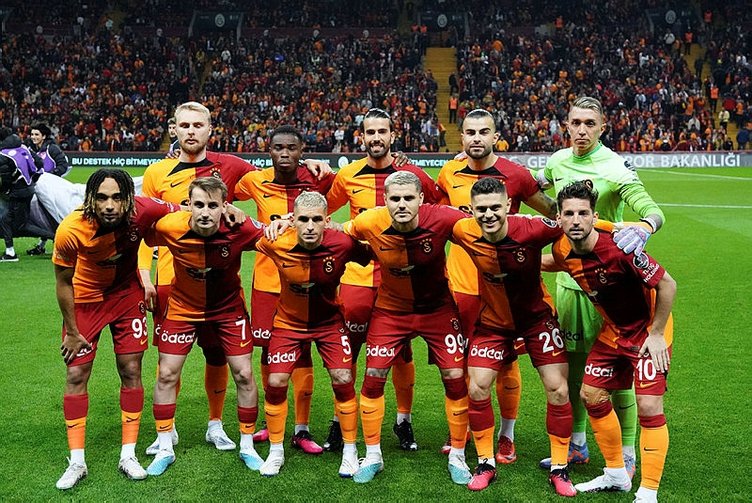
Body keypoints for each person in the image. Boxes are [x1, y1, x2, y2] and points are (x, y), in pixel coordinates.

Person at [138, 102, 331, 456]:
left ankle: (216, 424)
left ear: (210, 130)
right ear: (173, 129)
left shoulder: (232, 166)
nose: (191, 131)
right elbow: (145, 226)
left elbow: (276, 171)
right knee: (169, 363)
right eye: (184, 125)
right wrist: (144, 274)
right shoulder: (156, 172)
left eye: (198, 125)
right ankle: (167, 430)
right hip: (171, 279)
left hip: (222, 284)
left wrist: (308, 163)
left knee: (217, 356)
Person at [536, 96, 665, 475]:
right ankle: (578, 445)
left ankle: (627, 450)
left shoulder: (614, 166)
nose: (581, 130)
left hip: (612, 287)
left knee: (618, 372)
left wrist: (645, 227)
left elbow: (651, 209)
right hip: (570, 279)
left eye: (590, 123)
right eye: (576, 122)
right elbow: (530, 187)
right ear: (566, 125)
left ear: (602, 128)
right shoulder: (558, 161)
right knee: (574, 368)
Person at [437, 108, 558, 461]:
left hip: (506, 290)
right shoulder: (448, 172)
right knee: (463, 363)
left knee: (506, 363)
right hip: (461, 285)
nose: (477, 138)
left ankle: (506, 435)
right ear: (462, 137)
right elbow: (436, 217)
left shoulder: (515, 175)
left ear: (495, 137)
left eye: (483, 132)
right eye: (471, 132)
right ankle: (462, 428)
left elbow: (552, 212)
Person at [451, 177, 583, 495]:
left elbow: (571, 223)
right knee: (477, 387)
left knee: (558, 389)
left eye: (496, 207)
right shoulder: (462, 230)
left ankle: (560, 467)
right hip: (492, 323)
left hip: (537, 321)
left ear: (508, 206)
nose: (489, 215)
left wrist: (624, 228)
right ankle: (485, 463)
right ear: (471, 210)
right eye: (482, 209)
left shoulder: (532, 228)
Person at [340, 171, 471, 485]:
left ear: (421, 199)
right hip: (391, 311)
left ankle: (458, 455)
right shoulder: (369, 221)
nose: (402, 204)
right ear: (385, 200)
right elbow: (334, 232)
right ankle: (373, 455)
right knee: (373, 377)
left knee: (455, 377)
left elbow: (483, 228)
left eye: (408, 198)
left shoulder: (443, 218)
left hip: (437, 310)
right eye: (395, 198)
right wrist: (286, 223)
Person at [324, 108, 442, 452]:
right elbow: (323, 211)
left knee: (402, 353)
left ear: (393, 135)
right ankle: (340, 421)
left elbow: (439, 203)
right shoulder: (347, 175)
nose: (376, 138)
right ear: (361, 136)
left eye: (382, 132)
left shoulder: (410, 175)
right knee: (348, 352)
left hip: (400, 279)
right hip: (358, 278)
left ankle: (404, 421)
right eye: (370, 132)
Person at [52, 168, 179, 490]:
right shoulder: (70, 230)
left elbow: (185, 209)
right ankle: (77, 461)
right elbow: (63, 282)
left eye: (117, 198)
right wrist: (71, 331)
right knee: (76, 374)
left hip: (126, 297)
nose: (109, 205)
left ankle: (128, 455)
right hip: (86, 301)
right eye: (102, 198)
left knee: (131, 369)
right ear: (90, 199)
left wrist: (230, 211)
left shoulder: (144, 210)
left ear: (129, 200)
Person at [553, 180, 676, 503]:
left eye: (583, 213)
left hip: (649, 331)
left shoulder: (621, 248)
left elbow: (667, 284)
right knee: (592, 395)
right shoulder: (561, 249)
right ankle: (616, 474)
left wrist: (657, 333)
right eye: (569, 214)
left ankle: (648, 493)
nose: (576, 220)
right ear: (559, 218)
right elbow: (554, 262)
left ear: (595, 217)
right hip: (614, 331)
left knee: (649, 406)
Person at [142, 177, 266, 476]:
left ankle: (247, 445)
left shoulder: (241, 228)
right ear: (189, 205)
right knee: (167, 373)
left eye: (213, 205)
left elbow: (276, 234)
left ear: (225, 206)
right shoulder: (170, 226)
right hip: (183, 309)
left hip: (227, 311)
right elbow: (141, 228)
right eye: (199, 205)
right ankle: (165, 445)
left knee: (244, 374)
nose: (205, 212)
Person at [233, 125, 335, 453]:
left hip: (306, 281)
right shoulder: (255, 181)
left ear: (302, 150)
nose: (285, 153)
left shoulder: (318, 178)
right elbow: (221, 190)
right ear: (270, 151)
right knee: (267, 351)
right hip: (266, 282)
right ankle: (271, 420)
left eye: (292, 147)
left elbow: (347, 185)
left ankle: (302, 429)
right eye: (279, 147)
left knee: (302, 349)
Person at [255, 191, 371, 478]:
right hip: (288, 324)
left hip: (329, 323)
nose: (309, 226)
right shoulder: (275, 241)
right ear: (293, 220)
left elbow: (373, 252)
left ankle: (350, 450)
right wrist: (274, 222)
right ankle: (276, 451)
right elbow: (244, 234)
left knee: (343, 378)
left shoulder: (342, 243)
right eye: (303, 219)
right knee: (276, 381)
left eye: (316, 220)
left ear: (327, 221)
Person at [0, 127, 46, 262]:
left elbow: (6, 178)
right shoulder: (23, 147)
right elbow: (39, 163)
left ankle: (11, 253)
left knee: (13, 223)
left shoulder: (3, 154)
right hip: (29, 189)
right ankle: (10, 252)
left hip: (18, 193)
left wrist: (6, 191)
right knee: (16, 222)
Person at [27, 123, 71, 255]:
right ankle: (42, 245)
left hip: (53, 190)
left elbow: (63, 166)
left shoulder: (52, 149)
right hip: (38, 188)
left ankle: (62, 244)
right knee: (42, 218)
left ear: (44, 136)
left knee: (54, 217)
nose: (33, 137)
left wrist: (49, 176)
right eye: (32, 134)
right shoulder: (30, 149)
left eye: (36, 134)